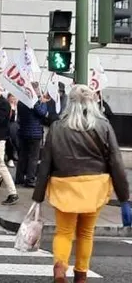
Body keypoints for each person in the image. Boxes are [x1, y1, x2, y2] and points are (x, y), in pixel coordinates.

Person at [33, 85, 130, 283]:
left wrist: (38, 196)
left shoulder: (57, 127)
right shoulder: (103, 126)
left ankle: (60, 267)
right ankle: (81, 275)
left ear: (70, 102)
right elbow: (116, 162)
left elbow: (46, 163)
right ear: (92, 102)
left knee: (64, 232)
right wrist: (124, 198)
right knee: (86, 232)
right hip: (94, 185)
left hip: (64, 185)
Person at [15, 91, 50, 188]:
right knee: (33, 157)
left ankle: (19, 178)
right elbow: (42, 113)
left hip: (23, 131)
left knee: (22, 156)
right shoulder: (34, 102)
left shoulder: (21, 102)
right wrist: (43, 103)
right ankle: (30, 179)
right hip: (34, 133)